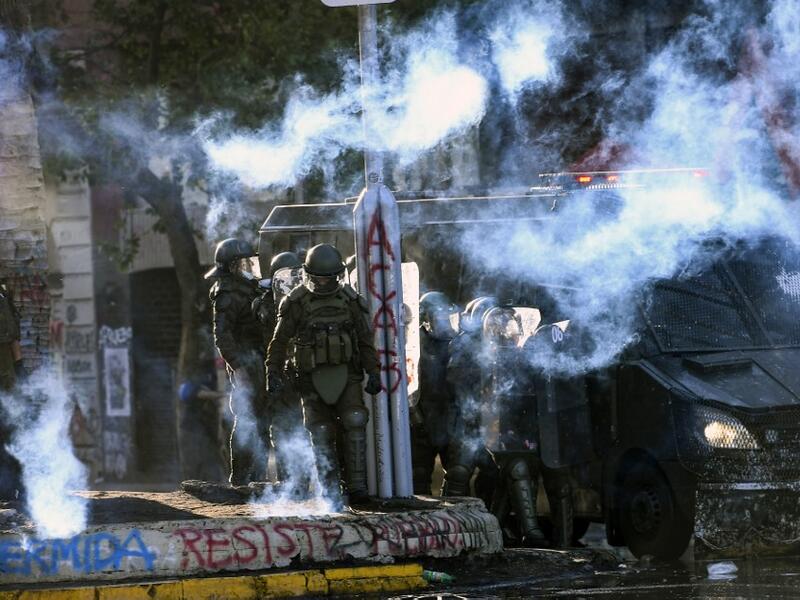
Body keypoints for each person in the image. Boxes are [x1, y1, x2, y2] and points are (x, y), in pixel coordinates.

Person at [266, 244, 381, 507]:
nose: (323, 283)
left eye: (328, 277)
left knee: (354, 419)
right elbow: (280, 341)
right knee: (320, 431)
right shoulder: (296, 302)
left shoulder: (351, 301)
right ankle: (329, 491)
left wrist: (373, 371)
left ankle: (358, 488)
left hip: (347, 373)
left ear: (338, 275)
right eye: (318, 277)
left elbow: (365, 339)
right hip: (310, 376)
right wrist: (272, 372)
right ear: (308, 274)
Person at [482, 305, 549, 547]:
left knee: (510, 476)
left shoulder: (521, 356)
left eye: (511, 326)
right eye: (503, 327)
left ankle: (494, 531)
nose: (508, 332)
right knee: (517, 470)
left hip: (520, 425)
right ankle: (530, 531)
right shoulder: (485, 358)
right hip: (497, 427)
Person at [206, 238, 269, 486]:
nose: (249, 267)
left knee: (263, 420)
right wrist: (237, 366)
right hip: (245, 363)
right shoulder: (227, 293)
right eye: (244, 263)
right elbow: (222, 336)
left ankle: (258, 476)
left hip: (259, 359)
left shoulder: (249, 288)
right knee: (246, 419)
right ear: (232, 266)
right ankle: (241, 479)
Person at [251, 251, 309, 496]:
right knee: (285, 429)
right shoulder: (265, 303)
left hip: (304, 371)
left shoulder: (307, 299)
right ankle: (290, 485)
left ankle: (303, 484)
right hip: (280, 372)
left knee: (306, 429)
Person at [441, 296, 498, 497]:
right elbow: (456, 380)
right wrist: (472, 407)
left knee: (495, 473)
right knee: (459, 472)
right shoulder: (464, 344)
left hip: (494, 421)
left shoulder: (503, 344)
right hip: (467, 419)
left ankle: (490, 520)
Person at [410, 291, 459, 495]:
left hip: (449, 416)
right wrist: (414, 414)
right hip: (423, 417)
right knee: (419, 476)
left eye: (445, 315)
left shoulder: (456, 343)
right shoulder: (413, 343)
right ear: (425, 318)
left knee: (458, 476)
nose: (443, 320)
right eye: (437, 315)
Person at [0, 281, 24, 501]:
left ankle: (12, 488)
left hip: (6, 381)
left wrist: (19, 368)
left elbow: (13, 338)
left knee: (10, 431)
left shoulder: (2, 295)